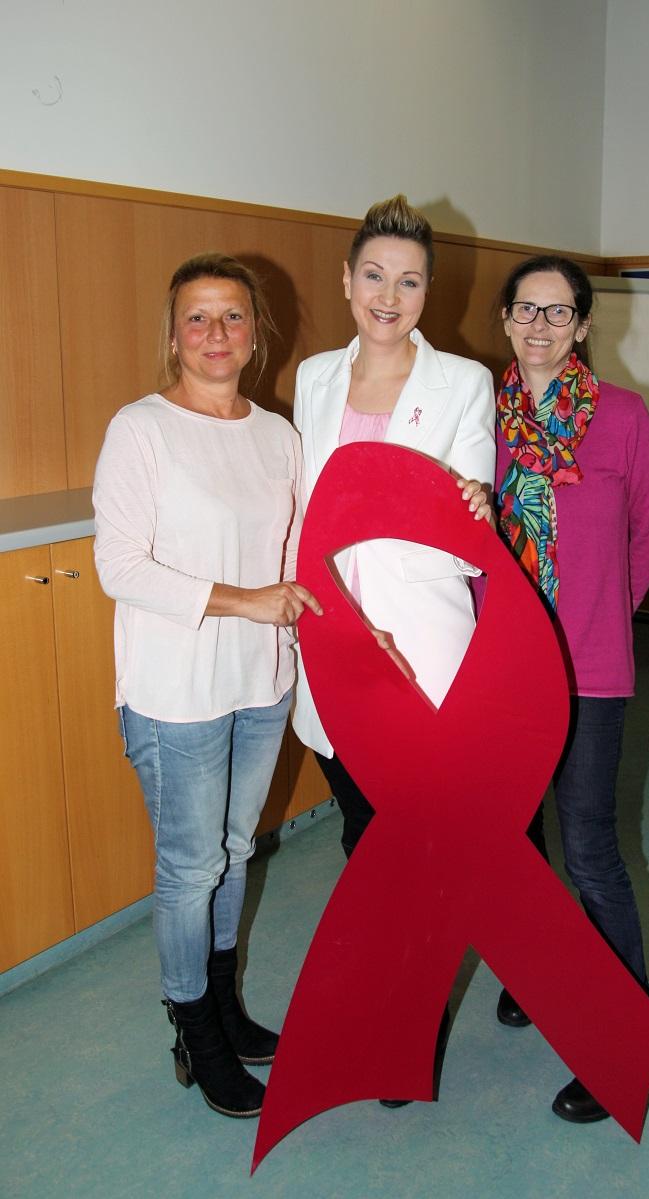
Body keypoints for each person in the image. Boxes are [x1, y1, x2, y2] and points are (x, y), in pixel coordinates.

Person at [93, 253, 321, 1120]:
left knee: (235, 849)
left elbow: (295, 557)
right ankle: (194, 1028)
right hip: (175, 691)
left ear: (257, 332)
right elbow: (120, 567)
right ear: (174, 333)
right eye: (198, 316)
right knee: (191, 868)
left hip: (259, 682)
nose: (216, 333)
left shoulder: (278, 436)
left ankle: (224, 1003)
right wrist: (244, 600)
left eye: (233, 315)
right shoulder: (141, 429)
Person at [493, 255, 649, 1124]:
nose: (540, 326)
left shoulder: (624, 416)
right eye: (526, 309)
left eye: (558, 312)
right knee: (517, 841)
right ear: (504, 319)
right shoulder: (477, 417)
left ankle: (621, 1034)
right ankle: (541, 973)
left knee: (590, 846)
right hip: (501, 670)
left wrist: (597, 616)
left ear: (584, 326)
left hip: (591, 668)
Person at [291, 194, 496, 863]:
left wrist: (475, 505)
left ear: (427, 291)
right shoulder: (315, 377)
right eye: (374, 275)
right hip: (332, 628)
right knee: (362, 828)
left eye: (408, 281)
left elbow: (472, 526)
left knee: (431, 827)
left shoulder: (463, 382)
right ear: (346, 278)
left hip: (419, 634)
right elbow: (308, 507)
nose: (388, 296)